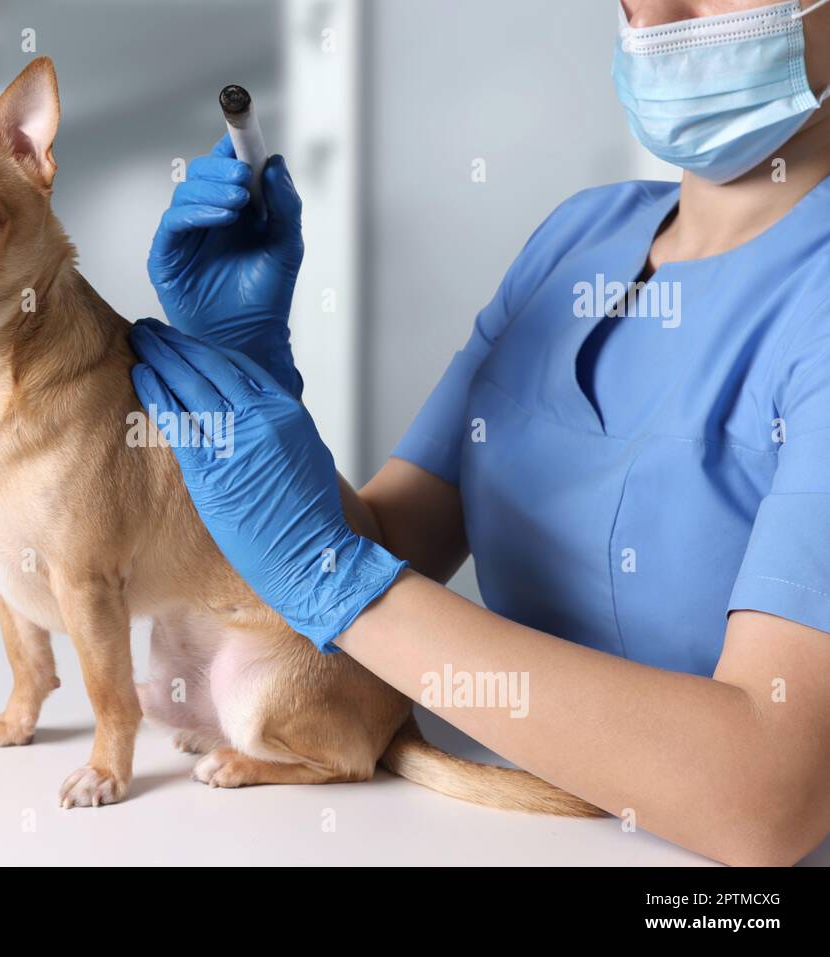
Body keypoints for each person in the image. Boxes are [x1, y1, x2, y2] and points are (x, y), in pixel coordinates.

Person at [130, 0, 830, 866]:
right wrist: (248, 369)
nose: (653, 12)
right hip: (488, 818)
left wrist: (338, 579)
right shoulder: (581, 236)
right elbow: (389, 544)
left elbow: (769, 799)